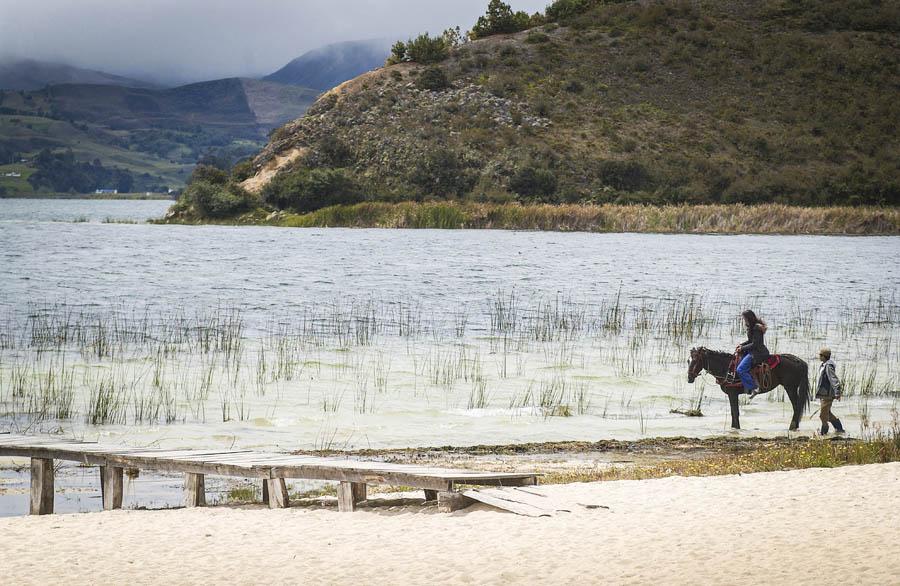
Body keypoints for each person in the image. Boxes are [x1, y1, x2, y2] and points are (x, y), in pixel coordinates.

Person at [735, 310, 770, 398]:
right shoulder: (752, 327)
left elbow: (755, 344)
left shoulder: (756, 328)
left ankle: (753, 388)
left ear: (749, 318)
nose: (743, 320)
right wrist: (741, 345)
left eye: (744, 319)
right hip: (754, 351)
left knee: (740, 369)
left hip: (758, 353)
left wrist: (742, 348)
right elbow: (750, 341)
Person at [816, 348, 845, 435]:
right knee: (827, 413)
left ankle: (824, 432)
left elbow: (833, 379)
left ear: (824, 356)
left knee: (822, 415)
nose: (819, 356)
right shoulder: (824, 364)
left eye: (820, 355)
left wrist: (837, 392)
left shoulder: (828, 366)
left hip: (828, 394)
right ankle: (839, 429)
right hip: (823, 393)